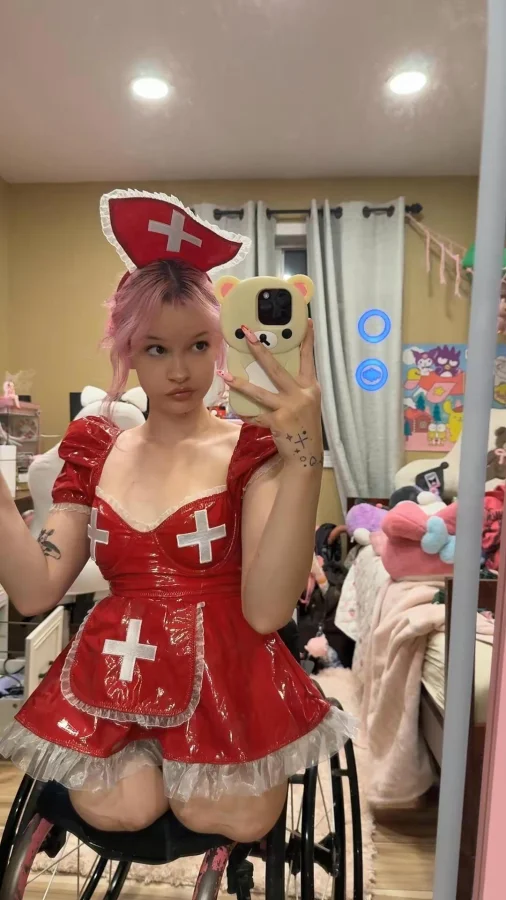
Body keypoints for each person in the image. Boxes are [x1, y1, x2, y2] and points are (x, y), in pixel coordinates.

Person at [0, 190, 355, 843]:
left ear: (221, 343)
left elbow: (266, 612)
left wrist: (305, 457)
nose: (182, 371)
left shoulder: (249, 450)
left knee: (226, 812)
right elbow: (34, 589)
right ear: (127, 350)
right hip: (117, 674)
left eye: (198, 345)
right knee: (122, 806)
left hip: (230, 677)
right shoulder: (94, 449)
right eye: (156, 349)